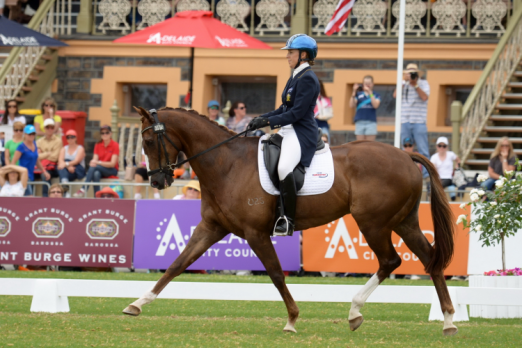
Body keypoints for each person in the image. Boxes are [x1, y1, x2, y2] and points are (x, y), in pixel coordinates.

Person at [247, 33, 320, 236]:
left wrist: (269, 122)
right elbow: (284, 108)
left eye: (291, 52)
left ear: (303, 54)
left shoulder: (308, 79)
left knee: (284, 166)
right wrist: (261, 118)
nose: (287, 56)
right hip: (288, 130)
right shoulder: (295, 76)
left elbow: (296, 113)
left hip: (301, 132)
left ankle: (287, 219)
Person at [394, 63, 430, 177]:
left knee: (423, 150)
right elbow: (395, 95)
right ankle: (405, 173)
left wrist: (415, 85)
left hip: (419, 121)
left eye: (413, 73)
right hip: (405, 120)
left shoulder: (423, 83)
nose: (411, 75)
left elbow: (424, 97)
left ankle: (426, 175)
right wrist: (404, 83)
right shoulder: (403, 84)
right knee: (405, 150)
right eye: (409, 72)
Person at [73, 125, 119, 197]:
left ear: (111, 133)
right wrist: (94, 162)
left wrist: (98, 162)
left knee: (95, 167)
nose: (105, 135)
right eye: (102, 133)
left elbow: (112, 164)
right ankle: (97, 196)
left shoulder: (115, 145)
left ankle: (83, 189)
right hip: (99, 169)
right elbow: (94, 160)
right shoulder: (98, 145)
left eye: (107, 132)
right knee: (96, 173)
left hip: (112, 170)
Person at [11, 125, 50, 196]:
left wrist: (44, 171)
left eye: (33, 134)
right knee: (30, 197)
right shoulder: (21, 146)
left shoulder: (34, 144)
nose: (31, 135)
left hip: (30, 175)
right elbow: (13, 162)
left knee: (26, 199)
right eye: (29, 134)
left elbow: (36, 159)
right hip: (22, 176)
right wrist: (13, 175)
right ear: (25, 135)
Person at [36, 118, 63, 197]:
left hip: (53, 166)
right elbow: (36, 156)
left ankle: (46, 197)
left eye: (52, 127)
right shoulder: (39, 141)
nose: (50, 129)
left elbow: (55, 157)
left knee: (45, 174)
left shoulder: (58, 141)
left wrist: (42, 154)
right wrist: (47, 154)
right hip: (41, 166)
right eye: (48, 127)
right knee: (29, 174)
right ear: (44, 128)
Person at [350, 75, 381, 141]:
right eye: (365, 84)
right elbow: (351, 105)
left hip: (371, 122)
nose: (367, 85)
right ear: (363, 84)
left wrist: (370, 93)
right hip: (359, 121)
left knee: (370, 144)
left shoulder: (376, 95)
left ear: (372, 84)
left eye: (369, 84)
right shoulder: (359, 94)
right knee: (359, 144)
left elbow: (375, 105)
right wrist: (353, 92)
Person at [430, 136, 460, 201]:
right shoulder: (434, 157)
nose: (442, 148)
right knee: (433, 185)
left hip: (448, 178)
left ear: (447, 147)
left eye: (444, 146)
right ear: (437, 146)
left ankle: (437, 200)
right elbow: (433, 169)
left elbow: (458, 160)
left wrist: (456, 169)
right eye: (440, 145)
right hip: (438, 178)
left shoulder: (451, 154)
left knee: (439, 186)